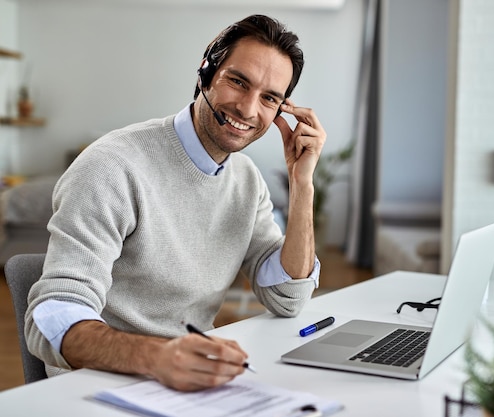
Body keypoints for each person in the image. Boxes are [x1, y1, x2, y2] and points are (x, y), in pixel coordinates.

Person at [24, 14, 326, 392]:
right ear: (205, 72)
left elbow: (288, 296)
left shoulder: (246, 180)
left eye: (269, 98)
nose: (249, 110)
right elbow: (49, 318)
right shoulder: (112, 166)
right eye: (237, 81)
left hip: (189, 382)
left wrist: (302, 184)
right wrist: (158, 357)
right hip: (100, 387)